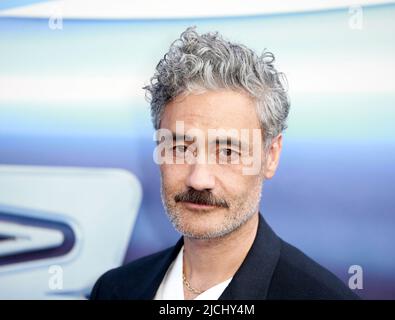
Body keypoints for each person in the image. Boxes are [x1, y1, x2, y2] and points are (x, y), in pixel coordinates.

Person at [90, 26, 358, 300]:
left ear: (271, 156)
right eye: (181, 148)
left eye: (228, 152)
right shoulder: (114, 290)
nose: (199, 179)